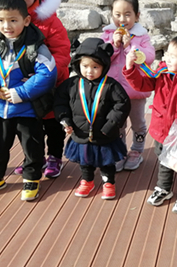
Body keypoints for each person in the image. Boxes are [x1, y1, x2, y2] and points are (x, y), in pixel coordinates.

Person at [0, 0, 57, 201]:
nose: (6, 26)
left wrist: (21, 93)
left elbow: (48, 73)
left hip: (27, 109)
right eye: (1, 20)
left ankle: (32, 178)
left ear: (26, 20)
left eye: (13, 20)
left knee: (32, 146)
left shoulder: (35, 46)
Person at [123, 35, 177, 214]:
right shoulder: (162, 73)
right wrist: (130, 68)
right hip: (162, 130)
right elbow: (142, 85)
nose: (166, 58)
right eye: (167, 53)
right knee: (164, 160)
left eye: (172, 56)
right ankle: (164, 188)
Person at [6, 0, 71, 179]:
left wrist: (43, 77)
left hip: (50, 82)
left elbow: (62, 52)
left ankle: (54, 157)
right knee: (28, 125)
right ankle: (34, 158)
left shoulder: (49, 21)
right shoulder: (6, 18)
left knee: (52, 124)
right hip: (21, 83)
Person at [54, 38, 131, 199]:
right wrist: (65, 120)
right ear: (78, 65)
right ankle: (87, 181)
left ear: (104, 66)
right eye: (85, 66)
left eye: (95, 67)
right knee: (85, 161)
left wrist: (110, 125)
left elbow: (122, 104)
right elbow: (60, 103)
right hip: (81, 133)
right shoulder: (71, 85)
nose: (89, 71)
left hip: (105, 134)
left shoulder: (111, 85)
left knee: (107, 161)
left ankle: (109, 182)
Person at [101, 0, 155, 172]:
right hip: (114, 92)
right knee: (118, 123)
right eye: (117, 14)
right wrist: (114, 45)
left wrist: (130, 46)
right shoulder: (107, 35)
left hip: (135, 91)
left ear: (137, 16)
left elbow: (149, 57)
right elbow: (101, 58)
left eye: (127, 14)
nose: (122, 19)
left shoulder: (141, 36)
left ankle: (137, 151)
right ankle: (120, 152)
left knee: (138, 122)